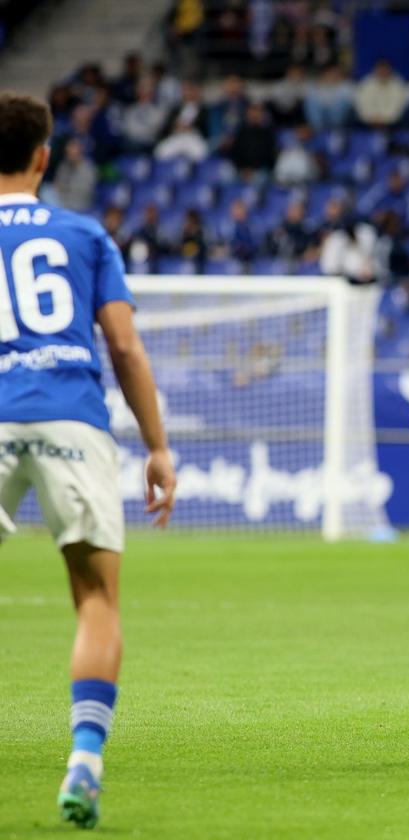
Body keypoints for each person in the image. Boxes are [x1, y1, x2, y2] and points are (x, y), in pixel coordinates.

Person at [0, 93, 176, 829]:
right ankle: (84, 762)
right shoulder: (81, 233)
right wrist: (158, 446)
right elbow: (126, 347)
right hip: (72, 417)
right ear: (44, 158)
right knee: (95, 598)